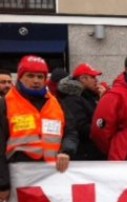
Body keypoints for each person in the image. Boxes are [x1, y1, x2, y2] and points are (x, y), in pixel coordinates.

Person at [0, 55, 78, 190]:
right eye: (30, 76)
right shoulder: (5, 104)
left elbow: (70, 132)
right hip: (18, 177)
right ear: (20, 77)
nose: (36, 81)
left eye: (40, 77)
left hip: (52, 175)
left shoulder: (57, 103)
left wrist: (66, 151)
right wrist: (3, 184)